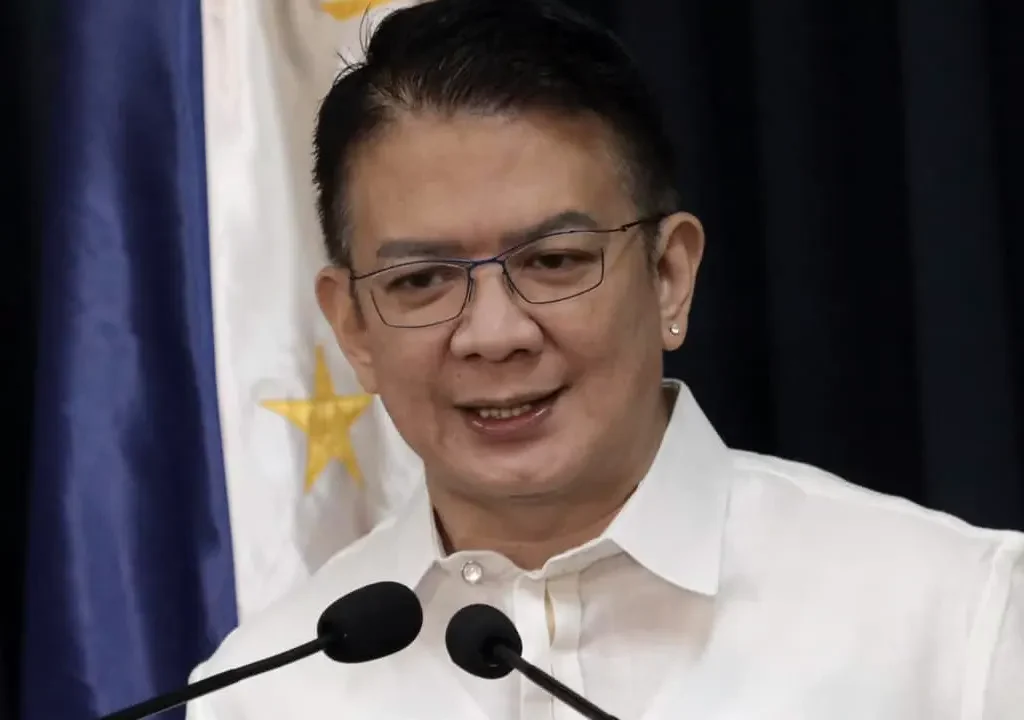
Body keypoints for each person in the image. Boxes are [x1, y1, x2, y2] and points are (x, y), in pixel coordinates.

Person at [187, 0, 1023, 717]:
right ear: (354, 328)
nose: (493, 334)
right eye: (422, 280)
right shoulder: (263, 693)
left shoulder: (956, 623)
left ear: (669, 276)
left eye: (554, 261)